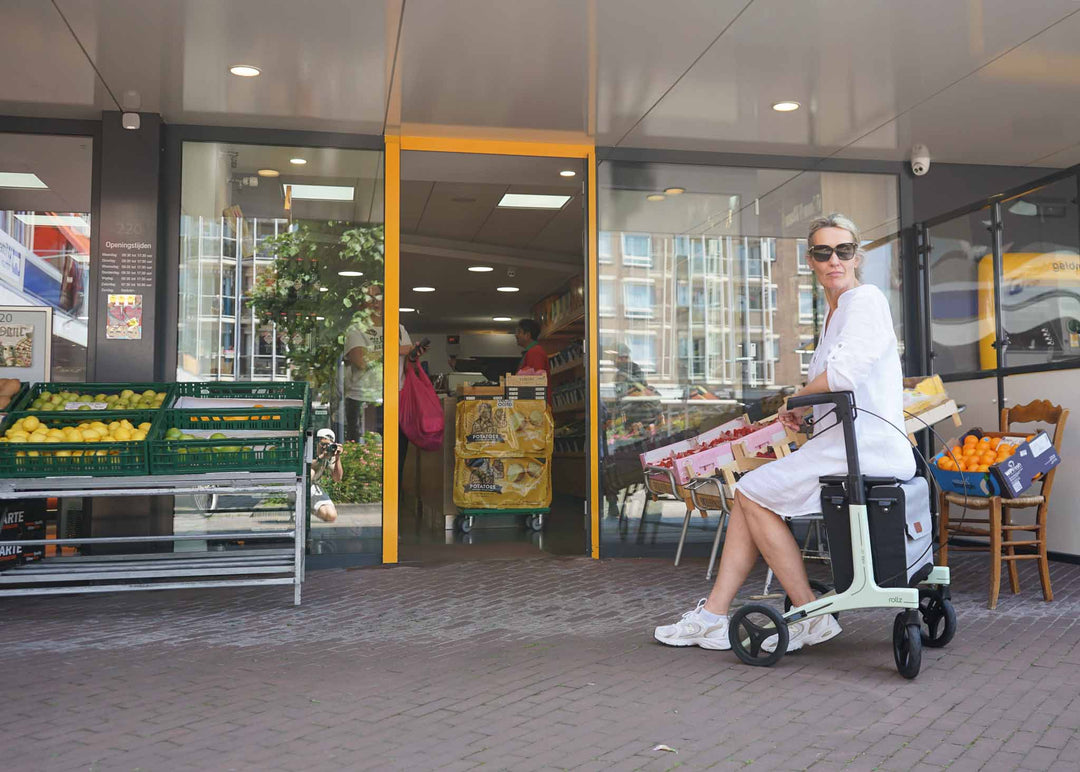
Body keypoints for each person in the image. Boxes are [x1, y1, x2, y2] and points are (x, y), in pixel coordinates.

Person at [654, 213, 915, 654]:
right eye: (823, 252)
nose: (834, 260)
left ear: (856, 256)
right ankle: (714, 616)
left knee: (752, 492)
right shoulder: (835, 313)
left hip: (864, 449)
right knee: (749, 497)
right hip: (842, 445)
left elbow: (844, 376)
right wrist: (806, 413)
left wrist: (794, 401)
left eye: (844, 250)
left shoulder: (865, 300)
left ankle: (807, 612)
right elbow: (837, 388)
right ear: (810, 260)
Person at [343, 288, 385, 442]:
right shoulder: (355, 330)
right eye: (369, 297)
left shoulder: (397, 328)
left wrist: (373, 353)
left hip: (390, 397)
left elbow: (406, 357)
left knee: (390, 447)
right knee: (361, 449)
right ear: (362, 304)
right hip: (360, 397)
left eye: (378, 296)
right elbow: (360, 361)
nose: (375, 301)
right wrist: (391, 351)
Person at [311, 428, 344, 523]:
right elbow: (306, 469)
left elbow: (337, 478)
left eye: (328, 445)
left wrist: (337, 458)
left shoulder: (329, 454)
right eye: (322, 444)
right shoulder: (308, 449)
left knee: (331, 516)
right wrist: (321, 458)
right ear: (316, 442)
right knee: (311, 472)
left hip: (313, 487)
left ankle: (310, 508)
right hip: (300, 484)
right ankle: (301, 504)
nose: (325, 447)